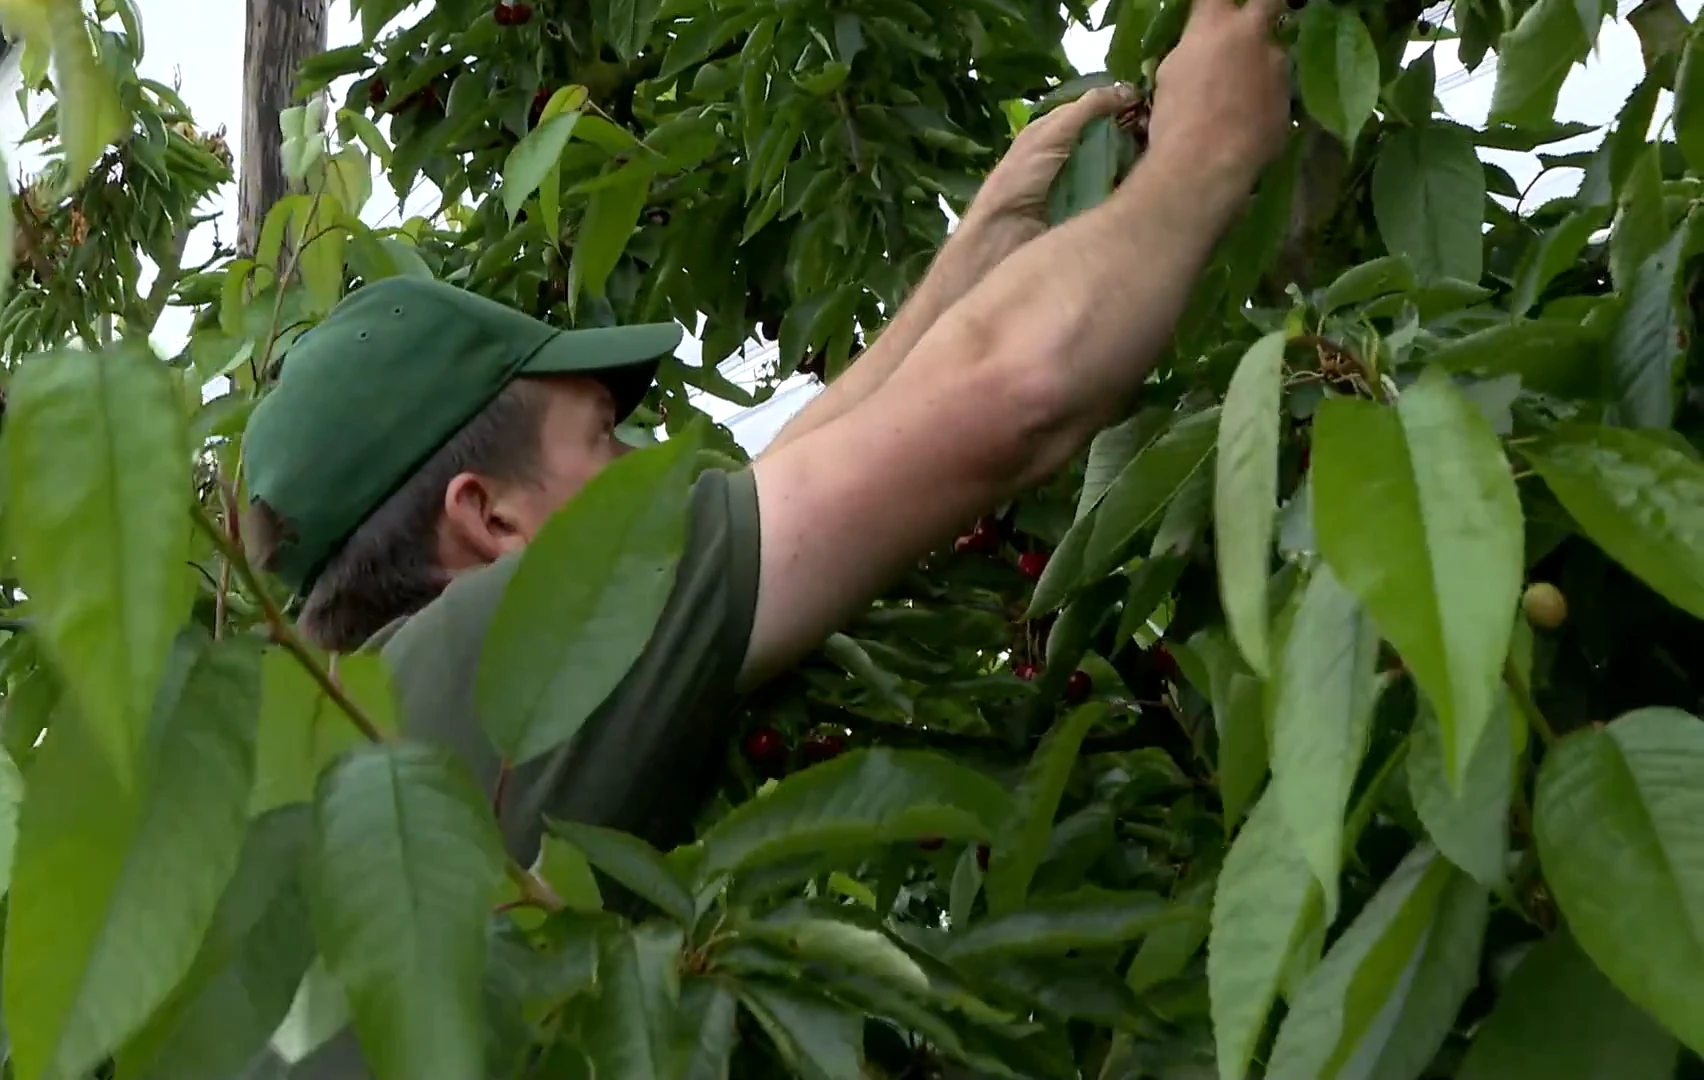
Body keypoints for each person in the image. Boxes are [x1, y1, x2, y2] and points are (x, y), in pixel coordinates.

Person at [238, 0, 1288, 1068]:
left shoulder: (343, 765)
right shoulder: (503, 653)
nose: (647, 470)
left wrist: (978, 250)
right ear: (487, 515)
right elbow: (1012, 392)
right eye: (604, 441)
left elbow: (778, 492)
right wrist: (1208, 149)